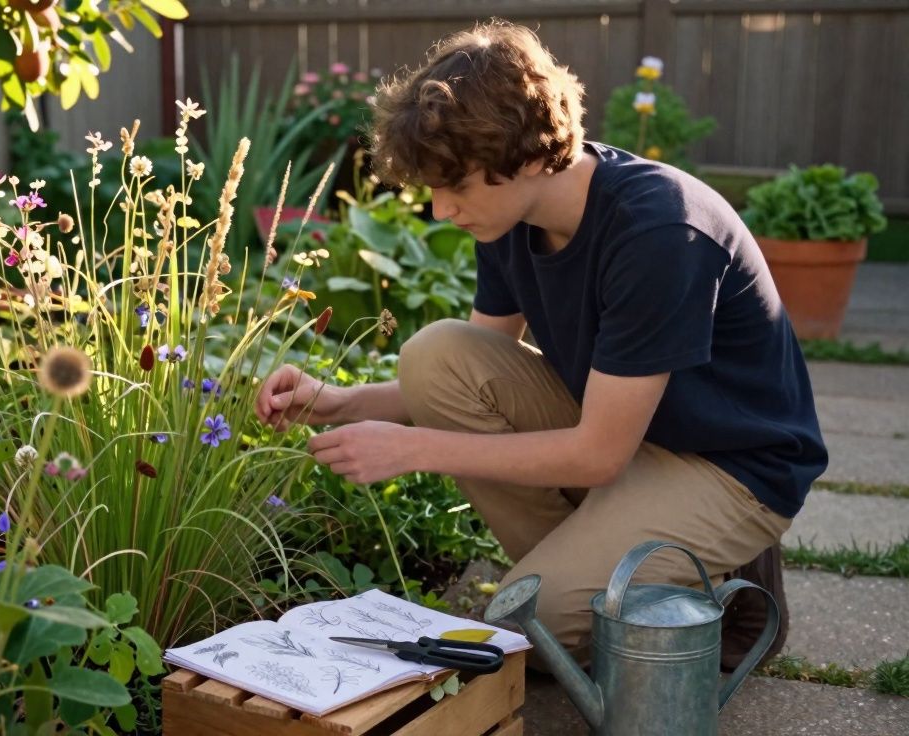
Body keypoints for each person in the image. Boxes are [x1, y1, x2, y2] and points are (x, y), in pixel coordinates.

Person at [254, 20, 826, 667]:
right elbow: (465, 376)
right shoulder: (511, 217)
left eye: (457, 186)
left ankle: (710, 582)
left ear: (526, 157)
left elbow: (598, 455)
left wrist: (411, 451)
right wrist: (339, 401)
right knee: (436, 356)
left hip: (732, 468)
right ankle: (612, 576)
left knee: (538, 617)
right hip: (632, 438)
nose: (442, 210)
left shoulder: (659, 232)